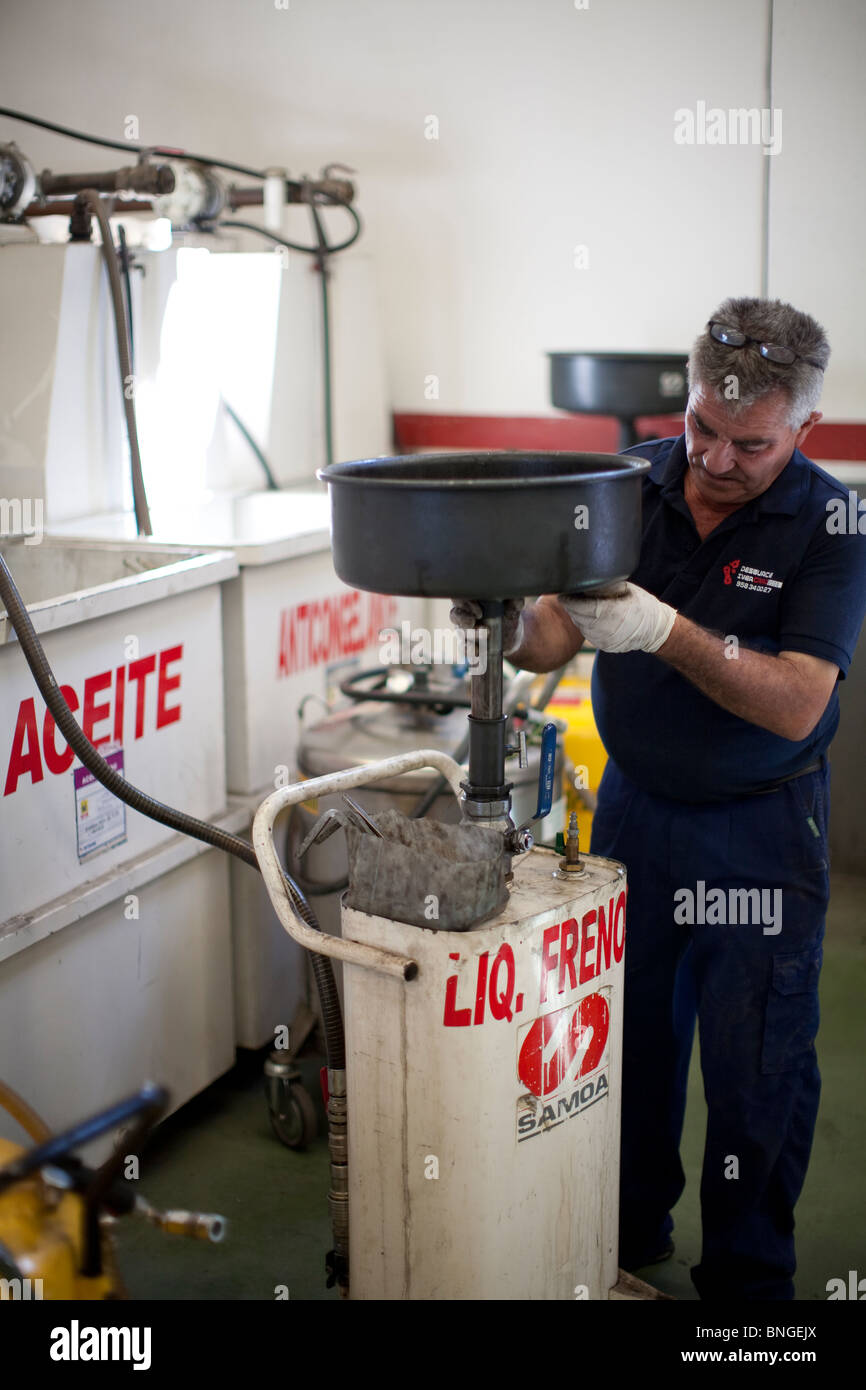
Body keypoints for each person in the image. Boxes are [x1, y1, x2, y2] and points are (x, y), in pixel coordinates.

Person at [453, 298, 866, 1299]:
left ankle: (744, 1285)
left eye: (750, 444)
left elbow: (795, 701)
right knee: (619, 1042)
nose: (716, 462)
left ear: (802, 430)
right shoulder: (623, 482)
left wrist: (661, 632)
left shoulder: (831, 521)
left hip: (758, 828)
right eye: (702, 432)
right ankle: (622, 1229)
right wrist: (500, 618)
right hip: (631, 811)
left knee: (752, 1065)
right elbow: (554, 635)